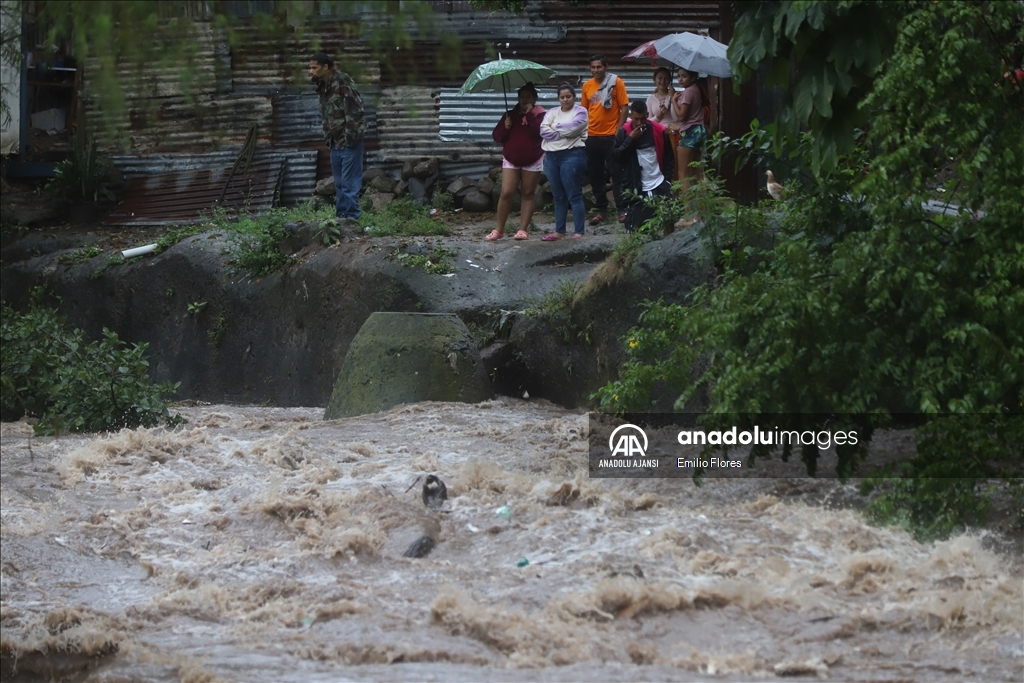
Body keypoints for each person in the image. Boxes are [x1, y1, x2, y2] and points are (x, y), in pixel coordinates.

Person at [486, 84, 546, 241]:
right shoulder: (510, 115)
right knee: (506, 192)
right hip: (511, 158)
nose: (524, 100)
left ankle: (522, 230)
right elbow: (497, 137)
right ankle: (499, 230)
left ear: (534, 99)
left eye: (528, 97)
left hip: (533, 158)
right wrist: (505, 128)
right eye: (521, 97)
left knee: (527, 193)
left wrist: (530, 115)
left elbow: (541, 132)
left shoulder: (540, 114)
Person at [310, 52, 365, 220]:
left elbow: (355, 110)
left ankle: (352, 218)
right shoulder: (322, 86)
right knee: (339, 183)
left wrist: (350, 138)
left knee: (349, 183)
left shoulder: (342, 81)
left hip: (349, 140)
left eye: (314, 68)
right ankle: (342, 219)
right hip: (335, 142)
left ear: (325, 67)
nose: (311, 71)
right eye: (310, 68)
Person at [581, 54, 629, 226]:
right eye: (593, 67)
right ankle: (602, 210)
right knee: (595, 176)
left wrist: (619, 130)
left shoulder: (616, 82)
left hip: (611, 137)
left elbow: (624, 107)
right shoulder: (587, 86)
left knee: (617, 174)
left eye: (599, 67)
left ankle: (622, 209)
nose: (596, 70)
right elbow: (584, 111)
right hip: (592, 137)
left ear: (606, 67)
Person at [612, 100, 674, 233]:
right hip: (637, 187)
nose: (640, 123)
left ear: (647, 114)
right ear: (630, 116)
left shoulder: (658, 130)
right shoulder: (624, 132)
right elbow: (617, 157)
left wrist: (667, 180)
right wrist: (630, 139)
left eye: (643, 118)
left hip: (659, 183)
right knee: (637, 229)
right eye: (636, 119)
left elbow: (669, 157)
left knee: (668, 223)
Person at [539, 83, 588, 240]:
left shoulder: (581, 111)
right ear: (558, 99)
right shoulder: (552, 112)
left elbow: (574, 128)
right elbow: (543, 131)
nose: (565, 100)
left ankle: (579, 231)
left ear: (574, 97)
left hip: (572, 155)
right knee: (558, 196)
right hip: (551, 157)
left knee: (574, 194)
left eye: (568, 96)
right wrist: (563, 131)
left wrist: (554, 127)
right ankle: (559, 231)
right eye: (562, 97)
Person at [672, 67, 708, 227]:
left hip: (689, 132)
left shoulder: (687, 92)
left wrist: (673, 100)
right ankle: (701, 214)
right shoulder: (697, 90)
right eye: (679, 76)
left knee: (684, 174)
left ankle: (689, 216)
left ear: (693, 77)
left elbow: (681, 116)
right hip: (700, 130)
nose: (680, 79)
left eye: (684, 76)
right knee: (697, 174)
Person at [645, 67, 681, 180]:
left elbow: (678, 118)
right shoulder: (650, 99)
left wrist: (672, 98)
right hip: (658, 134)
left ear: (670, 81)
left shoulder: (675, 96)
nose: (662, 81)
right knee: (659, 162)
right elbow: (648, 122)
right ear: (654, 80)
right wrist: (659, 116)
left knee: (674, 162)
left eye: (666, 78)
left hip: (673, 134)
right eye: (660, 78)